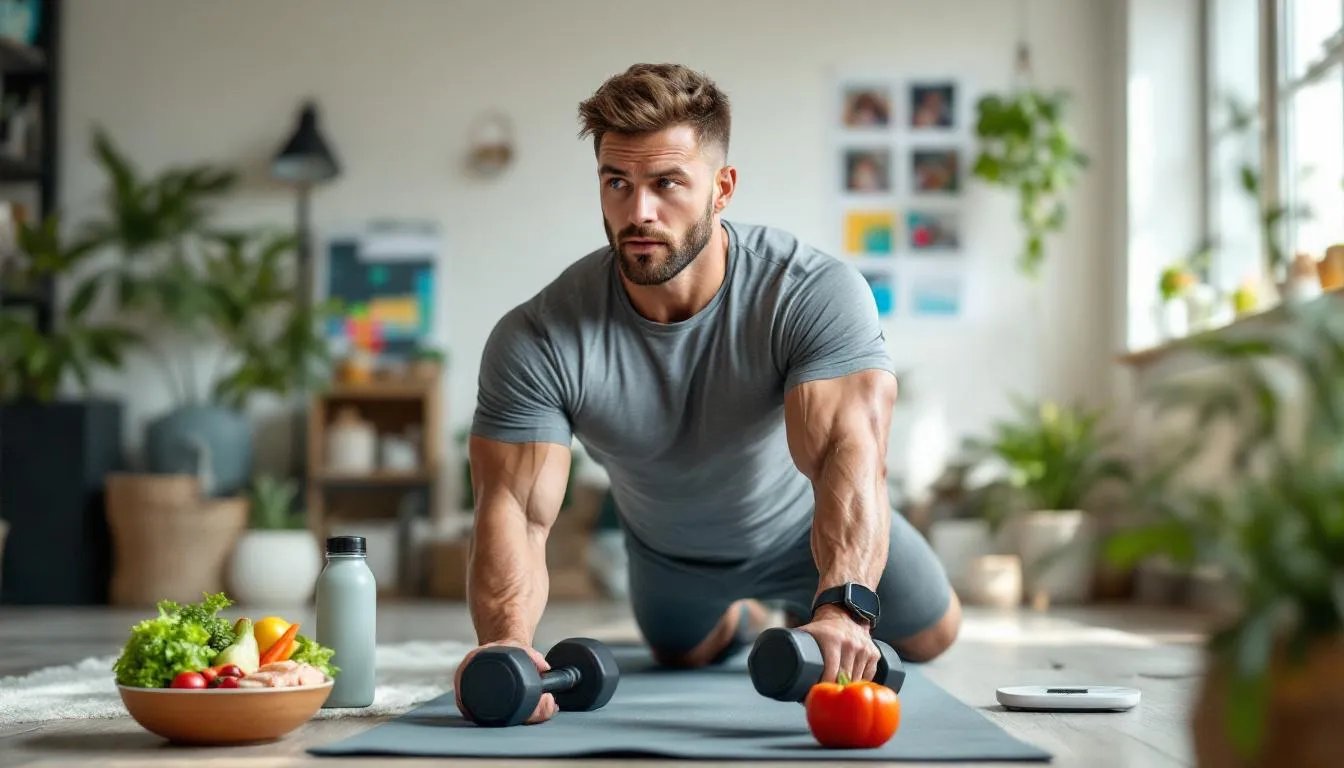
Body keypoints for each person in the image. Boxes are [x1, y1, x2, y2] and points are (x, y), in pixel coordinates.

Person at [455, 63, 961, 725]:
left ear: (722, 188)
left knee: (932, 637)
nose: (639, 211)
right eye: (617, 182)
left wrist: (842, 610)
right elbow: (516, 512)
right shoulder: (539, 336)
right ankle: (751, 615)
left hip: (805, 528)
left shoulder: (809, 292)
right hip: (671, 556)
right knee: (684, 654)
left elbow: (849, 455)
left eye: (666, 183)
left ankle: (802, 607)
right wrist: (507, 645)